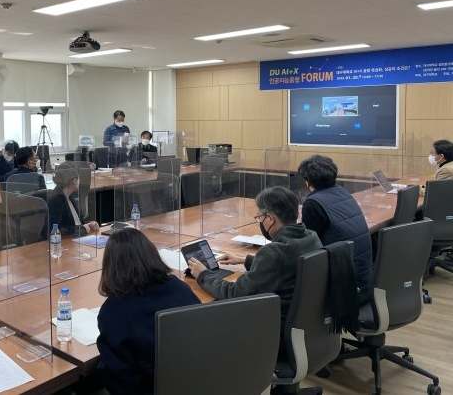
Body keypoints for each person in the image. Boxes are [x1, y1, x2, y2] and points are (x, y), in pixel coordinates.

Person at [188, 186, 322, 336]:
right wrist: (246, 260)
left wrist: (203, 274)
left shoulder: (274, 252)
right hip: (306, 326)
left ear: (270, 218)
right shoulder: (311, 237)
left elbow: (234, 293)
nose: (259, 222)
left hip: (275, 330)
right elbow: (286, 266)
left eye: (259, 217)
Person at [97, 228, 199, 395]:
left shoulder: (114, 310)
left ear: (111, 266)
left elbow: (119, 380)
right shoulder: (180, 288)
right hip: (195, 384)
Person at [297, 154, 372, 304]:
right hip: (363, 280)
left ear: (307, 181)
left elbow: (308, 248)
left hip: (344, 289)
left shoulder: (313, 203)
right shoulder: (342, 192)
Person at [45, 166, 99, 239]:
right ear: (74, 181)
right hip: (64, 241)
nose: (79, 182)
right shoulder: (55, 201)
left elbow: (77, 223)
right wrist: (83, 228)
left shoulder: (69, 196)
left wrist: (89, 224)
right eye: (78, 179)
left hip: (76, 239)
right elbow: (56, 229)